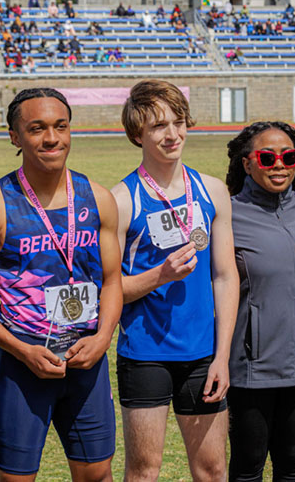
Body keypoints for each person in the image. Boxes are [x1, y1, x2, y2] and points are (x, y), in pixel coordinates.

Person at [0, 88, 122, 481]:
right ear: (15, 136)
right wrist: (22, 351)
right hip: (24, 365)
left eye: (60, 126)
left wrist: (103, 337)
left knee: (97, 475)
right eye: (37, 128)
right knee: (15, 478)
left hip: (87, 361)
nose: (51, 138)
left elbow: (111, 281)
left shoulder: (98, 198)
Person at [111, 80, 239, 481]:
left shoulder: (212, 191)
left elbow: (225, 276)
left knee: (212, 470)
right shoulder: (121, 200)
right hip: (145, 353)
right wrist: (159, 276)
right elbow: (108, 292)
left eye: (178, 122)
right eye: (158, 126)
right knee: (144, 471)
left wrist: (222, 356)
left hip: (204, 354)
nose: (172, 134)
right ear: (137, 134)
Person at [225, 122, 295, 482]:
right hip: (251, 369)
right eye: (267, 158)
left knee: (294, 465)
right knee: (247, 467)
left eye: (289, 156)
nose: (279, 164)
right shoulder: (228, 214)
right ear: (247, 163)